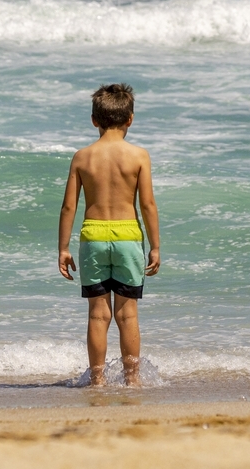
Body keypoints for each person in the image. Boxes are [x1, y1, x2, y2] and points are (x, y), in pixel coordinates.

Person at [58, 83, 161, 386]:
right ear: (130, 119)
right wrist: (155, 246)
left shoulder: (82, 157)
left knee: (97, 315)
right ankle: (132, 380)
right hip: (129, 239)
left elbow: (68, 207)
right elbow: (148, 204)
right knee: (127, 315)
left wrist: (63, 247)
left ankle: (98, 381)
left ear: (94, 120)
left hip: (93, 238)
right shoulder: (139, 156)